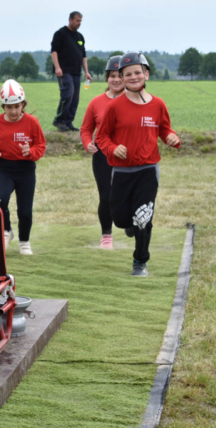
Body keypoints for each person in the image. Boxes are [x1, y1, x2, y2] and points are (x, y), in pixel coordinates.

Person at [96, 52, 181, 277]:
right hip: (121, 171)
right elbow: (101, 137)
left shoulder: (158, 105)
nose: (133, 77)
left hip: (148, 170)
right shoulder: (115, 106)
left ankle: (140, 261)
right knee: (121, 219)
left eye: (137, 72)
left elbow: (165, 130)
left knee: (143, 217)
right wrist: (113, 148)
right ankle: (129, 225)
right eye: (127, 74)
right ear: (121, 78)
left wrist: (172, 138)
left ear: (146, 74)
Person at [0, 79, 46, 255]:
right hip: (5, 168)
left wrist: (31, 152)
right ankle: (7, 230)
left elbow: (41, 146)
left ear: (23, 104)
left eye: (17, 106)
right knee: (0, 200)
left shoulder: (32, 122)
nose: (13, 111)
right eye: (9, 107)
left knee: (25, 210)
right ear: (3, 106)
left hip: (26, 169)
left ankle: (24, 242)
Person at [80, 56, 125, 249]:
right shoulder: (96, 102)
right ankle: (107, 235)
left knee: (126, 195)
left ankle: (129, 224)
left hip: (127, 155)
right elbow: (86, 129)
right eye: (112, 76)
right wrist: (87, 144)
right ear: (107, 78)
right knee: (106, 196)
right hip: (102, 156)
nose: (116, 80)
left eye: (120, 75)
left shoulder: (135, 101)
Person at [50, 11, 93, 132]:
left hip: (76, 72)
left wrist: (86, 72)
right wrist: (57, 67)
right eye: (77, 21)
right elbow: (54, 51)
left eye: (80, 21)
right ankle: (59, 120)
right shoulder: (60, 34)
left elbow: (83, 56)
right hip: (64, 71)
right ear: (70, 20)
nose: (79, 23)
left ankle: (68, 122)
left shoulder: (80, 37)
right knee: (68, 93)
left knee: (75, 98)